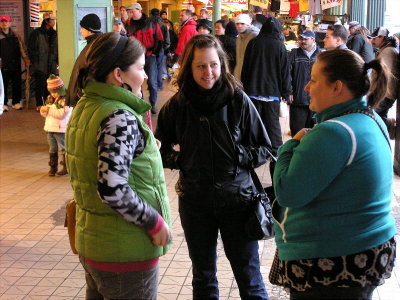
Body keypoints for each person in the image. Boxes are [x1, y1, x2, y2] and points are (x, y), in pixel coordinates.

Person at [269, 49, 396, 299]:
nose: (306, 87)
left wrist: (290, 146)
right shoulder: (370, 118)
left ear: (337, 87)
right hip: (364, 249)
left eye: (314, 80)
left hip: (333, 259)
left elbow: (287, 192)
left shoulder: (335, 132)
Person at [156, 34, 272, 300]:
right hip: (195, 202)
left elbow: (265, 148)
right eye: (200, 66)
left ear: (222, 64)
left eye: (214, 64)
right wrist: (183, 161)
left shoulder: (238, 100)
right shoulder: (178, 105)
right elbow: (159, 151)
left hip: (238, 201)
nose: (208, 72)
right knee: (203, 277)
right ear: (189, 67)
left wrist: (235, 155)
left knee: (249, 277)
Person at [66, 32, 172, 300]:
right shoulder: (118, 116)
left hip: (95, 242)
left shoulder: (87, 105)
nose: (146, 75)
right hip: (126, 250)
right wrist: (153, 222)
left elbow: (98, 159)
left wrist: (144, 149)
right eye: (140, 68)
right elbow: (112, 187)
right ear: (118, 74)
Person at [241, 17, 291, 181]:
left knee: (252, 128)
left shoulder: (254, 43)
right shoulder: (279, 46)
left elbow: (245, 68)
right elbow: (285, 73)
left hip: (253, 94)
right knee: (274, 131)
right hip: (272, 95)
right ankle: (276, 163)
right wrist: (286, 91)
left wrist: (246, 87)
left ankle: (250, 163)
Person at [126, 3, 164, 114]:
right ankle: (141, 103)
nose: (130, 13)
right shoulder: (129, 24)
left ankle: (153, 104)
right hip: (136, 57)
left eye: (132, 11)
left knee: (152, 82)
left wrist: (155, 53)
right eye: (130, 12)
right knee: (137, 82)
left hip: (149, 56)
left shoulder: (151, 23)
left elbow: (160, 39)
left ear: (139, 10)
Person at [288, 30, 321, 136]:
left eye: (305, 39)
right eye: (301, 39)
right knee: (297, 132)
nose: (302, 41)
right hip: (298, 100)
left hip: (316, 100)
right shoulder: (294, 54)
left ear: (313, 40)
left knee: (314, 133)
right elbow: (287, 74)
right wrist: (288, 91)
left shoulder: (321, 55)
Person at [65, 13, 102, 107]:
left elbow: (92, 74)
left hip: (86, 100)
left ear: (90, 30)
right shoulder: (93, 44)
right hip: (84, 98)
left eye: (82, 28)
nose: (80, 31)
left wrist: (80, 94)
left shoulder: (94, 47)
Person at [369, 27, 398, 139]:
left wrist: (376, 93)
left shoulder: (388, 52)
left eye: (375, 38)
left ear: (382, 37)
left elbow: (385, 76)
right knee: (377, 116)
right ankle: (386, 129)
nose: (372, 41)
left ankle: (389, 127)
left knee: (373, 117)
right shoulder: (387, 50)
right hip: (385, 92)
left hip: (385, 93)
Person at [40, 74, 72, 176]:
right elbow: (46, 115)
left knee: (63, 148)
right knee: (52, 148)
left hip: (60, 128)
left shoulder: (65, 100)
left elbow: (61, 114)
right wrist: (43, 110)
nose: (53, 94)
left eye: (55, 91)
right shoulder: (50, 98)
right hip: (50, 128)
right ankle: (53, 167)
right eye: (51, 91)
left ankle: (66, 167)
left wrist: (49, 109)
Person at [28, 13, 58, 110]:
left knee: (50, 85)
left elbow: (57, 49)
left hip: (51, 64)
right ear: (47, 21)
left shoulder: (55, 33)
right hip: (39, 64)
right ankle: (39, 103)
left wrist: (57, 61)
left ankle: (48, 103)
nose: (54, 22)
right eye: (52, 20)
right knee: (40, 84)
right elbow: (31, 49)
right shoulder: (36, 33)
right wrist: (34, 62)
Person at [0, 15, 29, 111]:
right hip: (2, 65)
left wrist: (26, 60)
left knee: (17, 84)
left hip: (16, 64)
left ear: (10, 23)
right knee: (2, 85)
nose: (4, 23)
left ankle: (16, 102)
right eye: (2, 21)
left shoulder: (16, 36)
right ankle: (3, 103)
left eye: (6, 21)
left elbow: (22, 49)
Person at [233, 13, 259, 80]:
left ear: (247, 24)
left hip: (251, 74)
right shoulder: (239, 37)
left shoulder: (255, 36)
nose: (239, 26)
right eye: (237, 24)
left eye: (242, 23)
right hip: (239, 73)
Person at [150, 8, 170, 91]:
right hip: (160, 50)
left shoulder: (149, 24)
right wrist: (162, 48)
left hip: (150, 50)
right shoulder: (163, 25)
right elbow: (167, 41)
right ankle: (159, 85)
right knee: (159, 68)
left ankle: (152, 85)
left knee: (151, 68)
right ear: (159, 14)